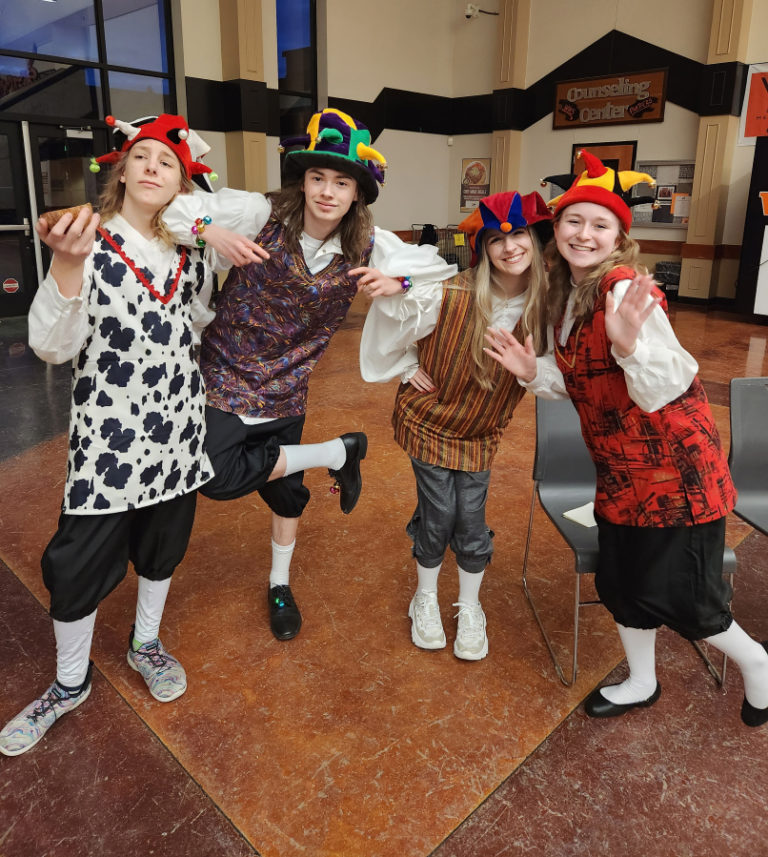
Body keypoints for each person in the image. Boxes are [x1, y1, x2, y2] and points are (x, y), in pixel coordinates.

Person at [484, 150, 768, 726]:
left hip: (677, 477)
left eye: (600, 225)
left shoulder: (619, 291)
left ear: (618, 239)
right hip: (621, 474)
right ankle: (642, 680)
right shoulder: (565, 292)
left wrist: (631, 344)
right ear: (556, 227)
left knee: (692, 600)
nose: (583, 234)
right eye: (573, 221)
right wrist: (529, 370)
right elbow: (582, 383)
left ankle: (758, 663)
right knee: (619, 582)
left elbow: (669, 382)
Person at [160, 108, 457, 642]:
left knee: (287, 494)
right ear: (303, 180)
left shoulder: (369, 245)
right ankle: (338, 452)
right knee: (212, 475)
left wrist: (401, 284)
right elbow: (171, 211)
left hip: (290, 388)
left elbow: (438, 268)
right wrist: (212, 232)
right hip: (225, 375)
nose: (326, 191)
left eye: (341, 182)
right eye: (318, 178)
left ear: (357, 194)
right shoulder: (259, 213)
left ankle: (280, 583)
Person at [0, 114, 218, 757]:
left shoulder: (191, 253)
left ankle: (145, 642)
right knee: (76, 564)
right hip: (109, 440)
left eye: (168, 162)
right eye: (142, 156)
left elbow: (199, 327)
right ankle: (70, 683)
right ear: (120, 169)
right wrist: (66, 266)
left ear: (183, 183)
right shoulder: (89, 243)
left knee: (162, 546)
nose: (153, 167)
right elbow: (50, 345)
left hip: (179, 430)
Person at [360, 191, 551, 659]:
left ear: (534, 241)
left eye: (519, 234)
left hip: (481, 429)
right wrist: (406, 366)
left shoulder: (547, 307)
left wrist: (530, 372)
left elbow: (557, 375)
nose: (509, 248)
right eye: (495, 240)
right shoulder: (451, 291)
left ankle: (469, 605)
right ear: (482, 249)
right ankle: (425, 596)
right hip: (429, 420)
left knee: (469, 520)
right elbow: (395, 318)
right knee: (443, 513)